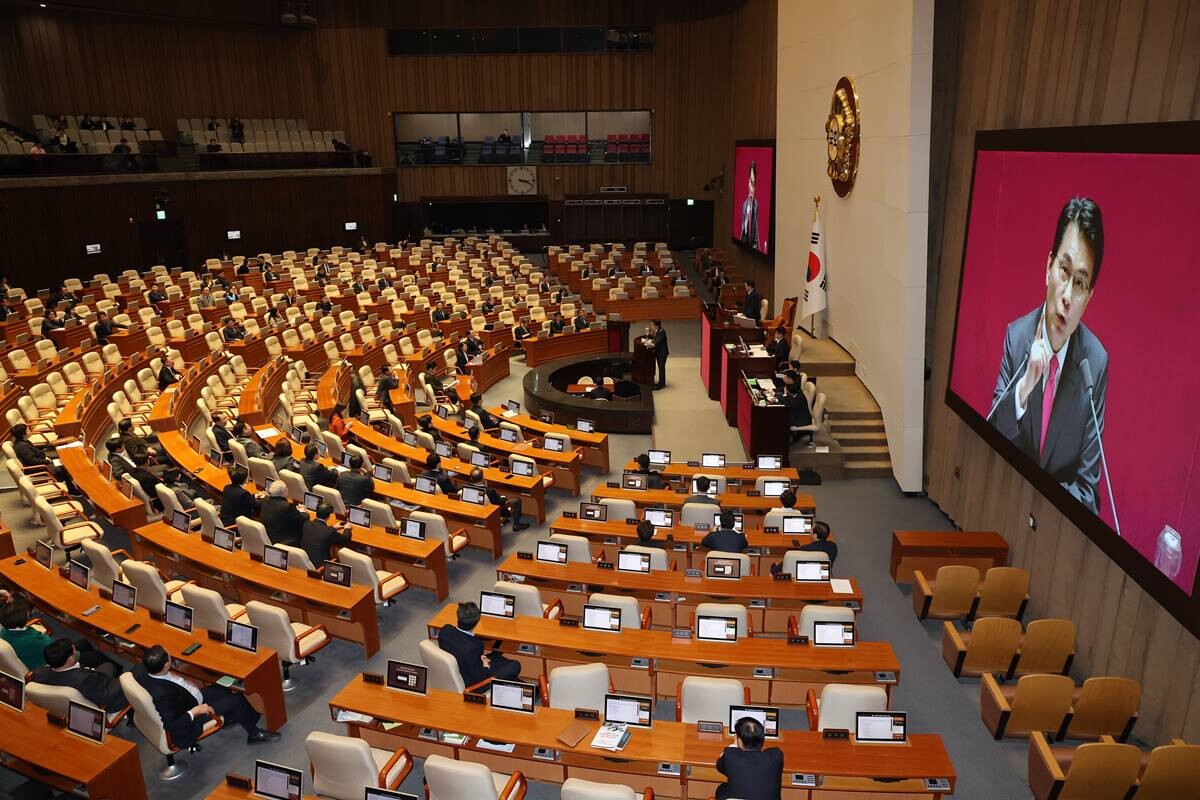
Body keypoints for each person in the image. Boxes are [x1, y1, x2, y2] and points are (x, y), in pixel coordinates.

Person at [990, 196, 1108, 514]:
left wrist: (1038, 505)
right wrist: (1024, 389)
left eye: (1080, 283)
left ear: (1089, 297)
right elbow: (990, 444)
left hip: (1054, 526)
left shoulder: (1094, 365)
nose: (1068, 295)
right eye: (1064, 272)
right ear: (1048, 268)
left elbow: (1088, 491)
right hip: (1000, 505)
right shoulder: (1016, 339)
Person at [133, 645, 280, 747]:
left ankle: (242, 717)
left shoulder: (143, 669)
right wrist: (196, 711)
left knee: (226, 687)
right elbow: (173, 724)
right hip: (191, 716)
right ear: (166, 665)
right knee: (236, 699)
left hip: (190, 698)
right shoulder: (162, 695)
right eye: (169, 657)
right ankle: (253, 734)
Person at [437, 602, 522, 686]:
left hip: (457, 670)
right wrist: (485, 665)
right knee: (515, 665)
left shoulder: (445, 629)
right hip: (472, 683)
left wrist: (479, 659)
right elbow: (480, 677)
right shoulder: (474, 646)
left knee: (496, 657)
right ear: (477, 622)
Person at [31, 639, 126, 710]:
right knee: (109, 666)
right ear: (70, 659)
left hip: (72, 686)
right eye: (75, 651)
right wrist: (126, 678)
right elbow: (106, 696)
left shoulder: (38, 673)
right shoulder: (85, 679)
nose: (77, 651)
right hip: (99, 697)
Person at [715, 716, 783, 800]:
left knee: (721, 789)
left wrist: (734, 745)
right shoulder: (776, 755)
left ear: (739, 740)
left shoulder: (730, 755)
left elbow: (719, 766)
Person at [11, 423, 80, 496]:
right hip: (37, 468)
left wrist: (45, 457)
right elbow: (32, 461)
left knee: (60, 460)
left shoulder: (23, 441)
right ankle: (71, 489)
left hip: (41, 461)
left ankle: (70, 487)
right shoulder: (23, 447)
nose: (30, 431)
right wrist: (47, 461)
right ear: (23, 435)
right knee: (62, 467)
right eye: (28, 430)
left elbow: (35, 453)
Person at [259, 480, 305, 545]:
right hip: (282, 540)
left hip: (268, 536)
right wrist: (303, 511)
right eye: (286, 488)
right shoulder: (287, 506)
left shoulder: (264, 500)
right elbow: (302, 518)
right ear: (283, 492)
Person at [738, 161, 760, 250]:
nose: (752, 188)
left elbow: (756, 228)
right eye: (751, 183)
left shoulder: (756, 205)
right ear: (748, 183)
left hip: (751, 244)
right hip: (743, 239)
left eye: (754, 184)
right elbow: (743, 225)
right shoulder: (744, 205)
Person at [647, 319, 669, 390]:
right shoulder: (657, 330)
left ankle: (661, 384)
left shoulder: (661, 331)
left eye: (652, 325)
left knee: (661, 368)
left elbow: (657, 342)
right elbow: (654, 338)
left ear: (656, 325)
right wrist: (650, 332)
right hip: (659, 353)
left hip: (662, 353)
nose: (651, 326)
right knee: (660, 368)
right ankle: (661, 382)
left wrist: (649, 343)